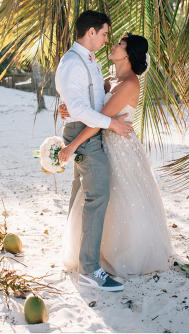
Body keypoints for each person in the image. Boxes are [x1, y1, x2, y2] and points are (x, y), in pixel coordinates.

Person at [58, 31, 173, 278]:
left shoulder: (130, 83)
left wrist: (72, 145)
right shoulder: (109, 80)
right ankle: (95, 252)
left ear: (129, 54)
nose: (114, 45)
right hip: (102, 143)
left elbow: (99, 119)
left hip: (121, 148)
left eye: (120, 44)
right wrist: (67, 108)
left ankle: (124, 255)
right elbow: (89, 108)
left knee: (125, 198)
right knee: (99, 196)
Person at [53, 10, 134, 292]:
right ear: (91, 32)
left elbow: (88, 98)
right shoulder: (72, 62)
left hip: (86, 130)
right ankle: (89, 269)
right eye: (104, 34)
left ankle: (75, 253)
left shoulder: (88, 60)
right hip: (84, 133)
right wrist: (111, 123)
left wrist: (69, 107)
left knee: (81, 193)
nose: (106, 39)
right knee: (97, 195)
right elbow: (77, 107)